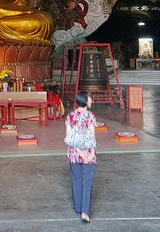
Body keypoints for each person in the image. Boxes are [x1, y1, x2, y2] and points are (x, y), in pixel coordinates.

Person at [65, 90, 97, 223]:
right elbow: (92, 137)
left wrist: (78, 151)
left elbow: (69, 137)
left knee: (76, 181)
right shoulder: (90, 116)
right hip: (89, 153)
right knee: (87, 182)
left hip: (74, 153)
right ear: (84, 100)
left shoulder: (70, 116)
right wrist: (91, 153)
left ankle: (78, 207)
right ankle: (85, 212)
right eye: (90, 99)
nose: (91, 101)